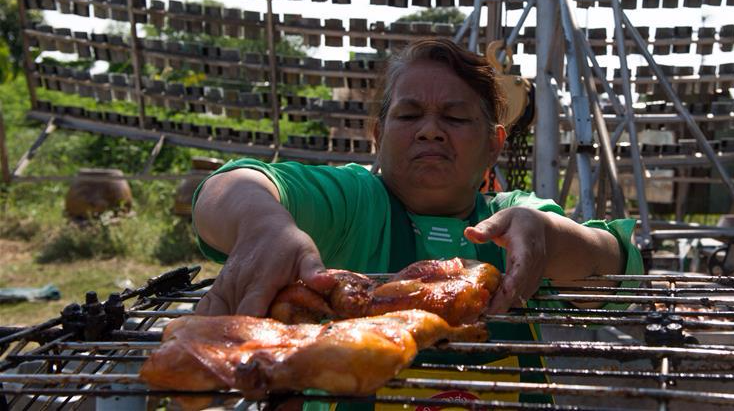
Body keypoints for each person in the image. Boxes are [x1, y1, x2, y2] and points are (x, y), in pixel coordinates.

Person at [191, 37, 642, 405]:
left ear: (494, 144)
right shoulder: (354, 202)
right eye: (409, 115)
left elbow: (618, 264)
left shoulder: (516, 215)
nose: (430, 130)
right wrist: (265, 225)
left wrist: (548, 236)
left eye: (455, 116)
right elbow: (230, 186)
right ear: (378, 134)